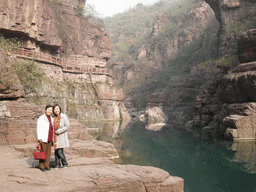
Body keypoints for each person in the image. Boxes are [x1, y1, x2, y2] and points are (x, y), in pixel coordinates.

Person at [37, 104, 54, 172]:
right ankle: (42, 166)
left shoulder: (51, 118)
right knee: (42, 152)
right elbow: (39, 128)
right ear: (45, 110)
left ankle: (47, 165)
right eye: (49, 110)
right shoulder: (41, 118)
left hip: (50, 137)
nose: (50, 111)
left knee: (48, 152)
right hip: (43, 137)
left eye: (51, 110)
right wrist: (39, 138)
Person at [52, 104, 70, 169]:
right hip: (55, 137)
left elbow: (67, 126)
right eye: (55, 109)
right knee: (56, 151)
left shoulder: (63, 116)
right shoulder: (53, 117)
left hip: (61, 136)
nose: (56, 110)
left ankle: (65, 163)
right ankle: (57, 164)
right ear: (53, 110)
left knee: (59, 151)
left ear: (59, 109)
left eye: (57, 109)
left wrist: (58, 131)